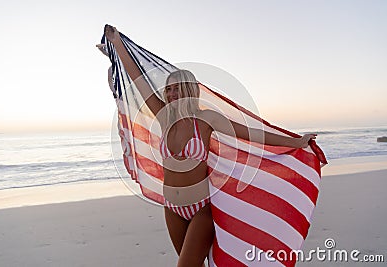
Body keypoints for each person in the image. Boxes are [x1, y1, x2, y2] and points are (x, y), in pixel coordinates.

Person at [103, 25, 317, 267]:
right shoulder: (164, 117)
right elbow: (139, 81)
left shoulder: (206, 120)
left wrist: (296, 141)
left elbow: (251, 134)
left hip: (200, 209)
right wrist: (117, 46)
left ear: (190, 89)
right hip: (172, 208)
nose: (172, 93)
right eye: (169, 88)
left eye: (178, 87)